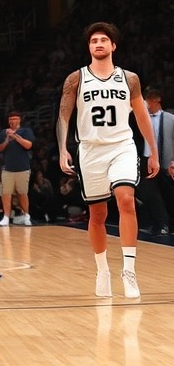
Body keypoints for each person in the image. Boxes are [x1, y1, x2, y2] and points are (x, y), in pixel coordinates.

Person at [56, 21, 158, 299]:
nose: (98, 44)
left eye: (103, 40)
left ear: (113, 46)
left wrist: (153, 151)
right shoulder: (75, 79)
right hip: (89, 150)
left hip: (122, 146)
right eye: (93, 41)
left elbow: (141, 116)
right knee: (97, 215)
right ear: (88, 47)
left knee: (126, 199)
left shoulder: (130, 78)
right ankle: (102, 270)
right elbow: (64, 116)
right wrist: (63, 148)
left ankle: (129, 271)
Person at [133, 87, 174, 236]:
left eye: (149, 98)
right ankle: (161, 224)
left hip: (166, 164)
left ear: (157, 99)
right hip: (145, 163)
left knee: (168, 194)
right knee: (150, 194)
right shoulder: (138, 118)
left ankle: (168, 223)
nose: (146, 102)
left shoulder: (171, 118)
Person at [0, 111, 35, 225]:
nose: (13, 121)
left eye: (15, 119)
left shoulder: (26, 131)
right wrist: (7, 140)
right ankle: (6, 217)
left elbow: (29, 145)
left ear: (19, 120)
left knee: (22, 193)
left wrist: (15, 136)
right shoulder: (3, 133)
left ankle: (26, 215)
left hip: (23, 167)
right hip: (8, 168)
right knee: (6, 193)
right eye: (11, 119)